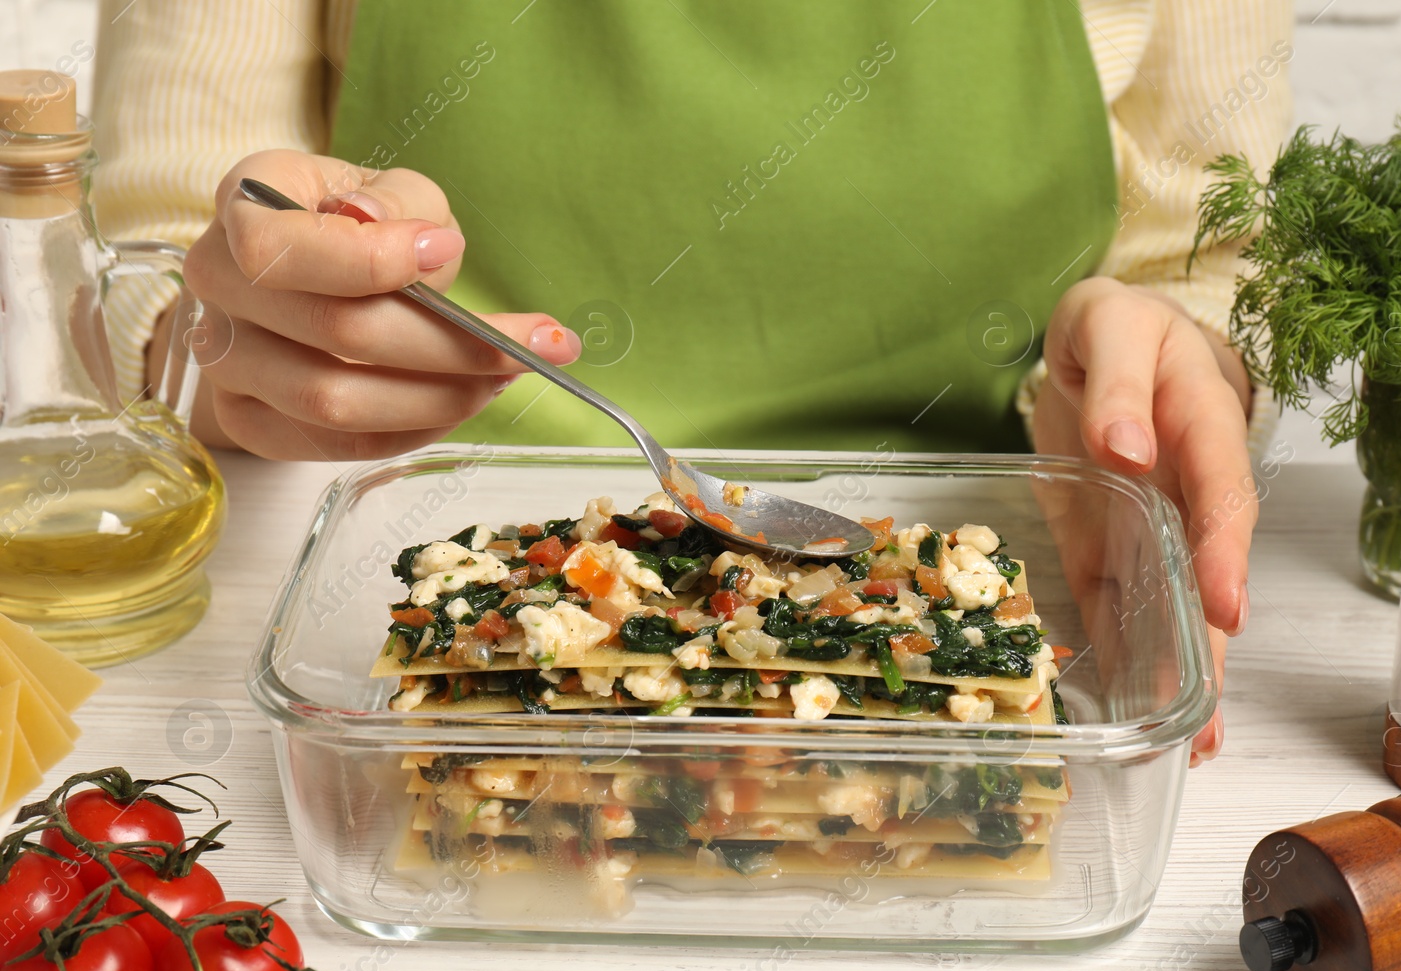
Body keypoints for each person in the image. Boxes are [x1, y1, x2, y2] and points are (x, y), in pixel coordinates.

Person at [92, 1, 1295, 765]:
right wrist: (231, 345)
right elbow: (155, 256)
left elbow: (1211, 260)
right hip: (390, 523)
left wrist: (1159, 362)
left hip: (1011, 501)